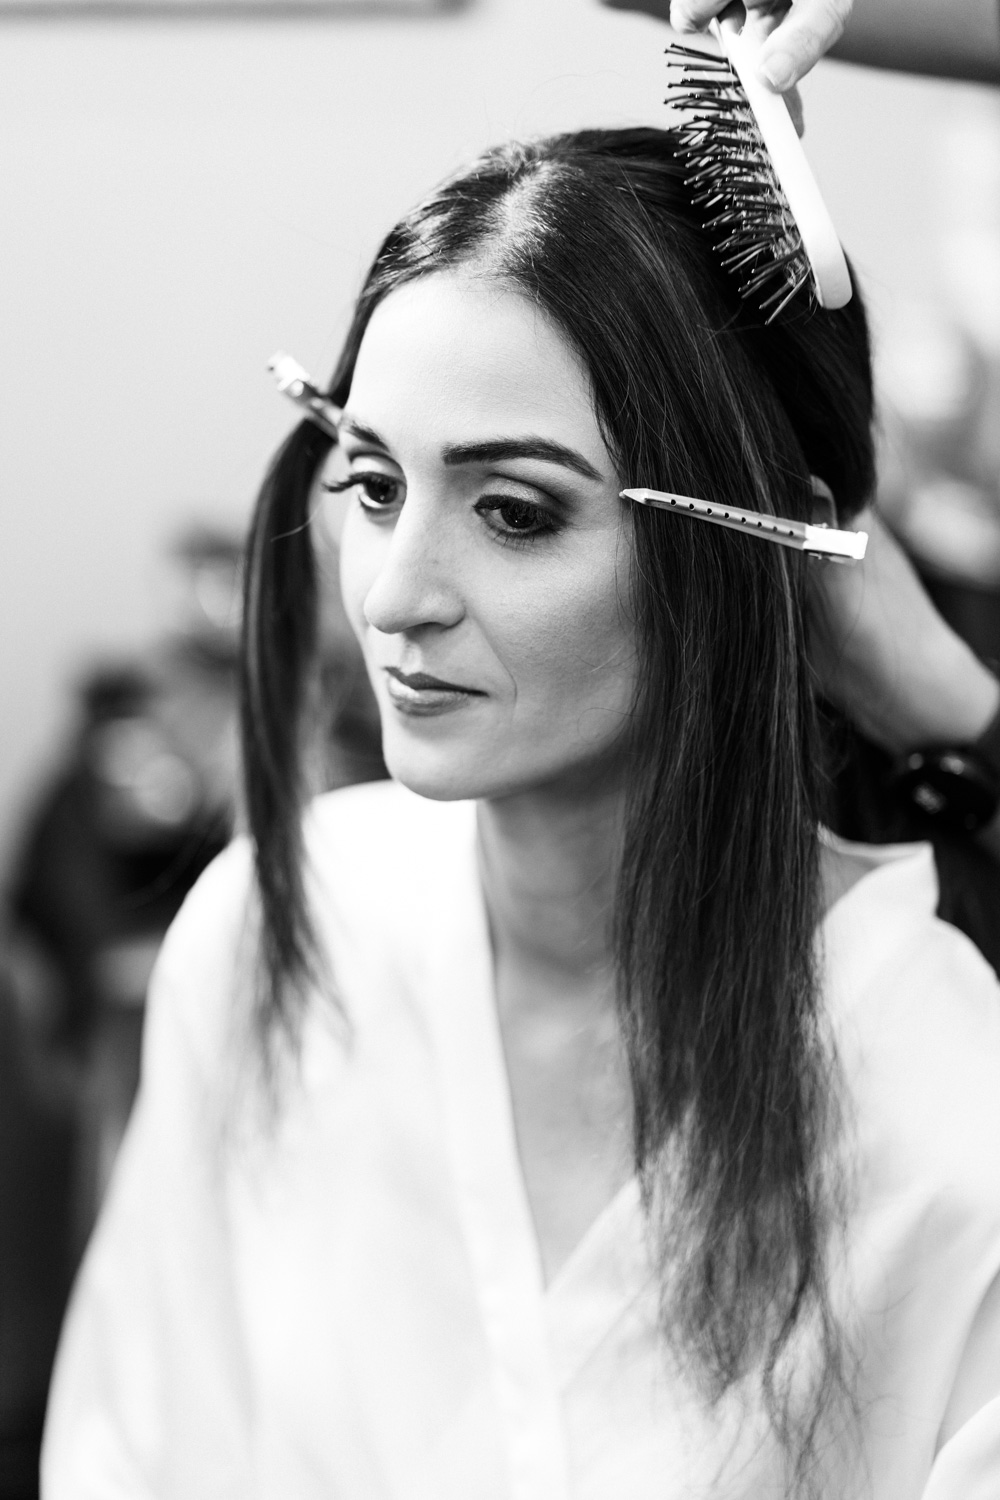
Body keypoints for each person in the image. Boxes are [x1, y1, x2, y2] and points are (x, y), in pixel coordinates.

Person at [42, 127, 1000, 1498]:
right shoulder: (280, 936)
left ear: (769, 547)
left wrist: (957, 706)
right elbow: (135, 1448)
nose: (393, 595)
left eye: (514, 513)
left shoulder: (945, 1101)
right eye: (376, 486)